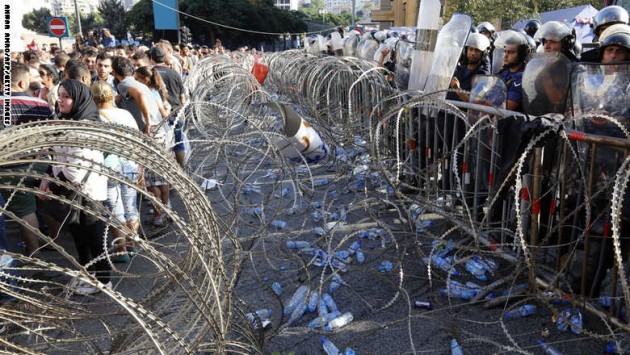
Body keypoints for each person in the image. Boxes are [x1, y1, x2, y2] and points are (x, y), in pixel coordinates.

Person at [39, 79, 111, 295]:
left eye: (66, 96)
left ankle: (104, 281)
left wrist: (53, 174)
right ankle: (88, 275)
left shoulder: (85, 128)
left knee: (94, 236)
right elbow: (60, 158)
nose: (60, 100)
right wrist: (48, 175)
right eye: (59, 95)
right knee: (79, 235)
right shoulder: (66, 121)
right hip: (72, 192)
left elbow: (75, 172)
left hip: (89, 192)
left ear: (78, 99)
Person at [1, 62, 55, 256]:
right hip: (40, 160)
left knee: (24, 210)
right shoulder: (40, 104)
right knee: (46, 202)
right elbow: (54, 133)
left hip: (10, 166)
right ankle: (54, 240)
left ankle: (34, 252)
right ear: (23, 83)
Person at [91, 81, 140, 262]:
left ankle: (121, 250)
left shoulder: (95, 117)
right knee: (130, 207)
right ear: (112, 96)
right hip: (130, 163)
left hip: (109, 166)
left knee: (115, 210)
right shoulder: (125, 114)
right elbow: (137, 139)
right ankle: (132, 244)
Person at [448, 33, 491, 102]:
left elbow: (474, 102)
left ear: (483, 54)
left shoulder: (483, 75)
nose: (473, 53)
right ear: (466, 51)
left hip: (462, 112)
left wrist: (457, 89)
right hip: (446, 109)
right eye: (470, 49)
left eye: (477, 50)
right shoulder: (459, 68)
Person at [494, 30, 529, 112]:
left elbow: (506, 107)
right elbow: (485, 97)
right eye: (505, 51)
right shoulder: (503, 73)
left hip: (510, 123)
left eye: (511, 52)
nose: (505, 56)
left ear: (521, 55)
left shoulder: (523, 77)